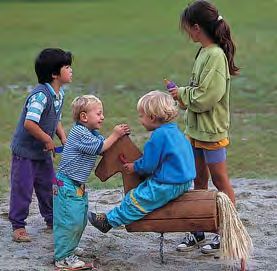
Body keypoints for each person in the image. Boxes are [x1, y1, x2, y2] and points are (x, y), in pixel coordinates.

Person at [168, 0, 239, 254]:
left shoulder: (216, 56)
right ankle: (198, 230)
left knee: (220, 181)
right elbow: (198, 92)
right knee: (198, 180)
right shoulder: (203, 52)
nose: (186, 31)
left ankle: (229, 231)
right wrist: (184, 94)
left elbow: (208, 95)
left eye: (187, 27)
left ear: (196, 27)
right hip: (196, 131)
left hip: (212, 132)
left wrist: (183, 94)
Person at [88, 90, 196, 233]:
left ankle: (108, 221)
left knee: (135, 198)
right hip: (185, 180)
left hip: (169, 183)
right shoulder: (175, 131)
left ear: (151, 117)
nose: (140, 119)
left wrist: (134, 167)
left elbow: (148, 165)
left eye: (141, 116)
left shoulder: (157, 137)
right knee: (144, 188)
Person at [53, 94, 130, 269]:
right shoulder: (79, 132)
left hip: (76, 186)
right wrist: (116, 134)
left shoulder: (90, 133)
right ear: (84, 117)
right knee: (69, 221)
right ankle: (63, 258)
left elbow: (103, 147)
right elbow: (100, 147)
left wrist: (117, 140)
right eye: (99, 113)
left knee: (79, 220)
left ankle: (69, 248)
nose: (102, 117)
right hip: (66, 185)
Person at [9, 48, 72, 242]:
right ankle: (18, 225)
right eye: (67, 67)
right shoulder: (40, 96)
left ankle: (52, 219)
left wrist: (62, 137)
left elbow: (55, 119)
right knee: (23, 187)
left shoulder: (58, 93)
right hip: (26, 153)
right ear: (54, 74)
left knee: (49, 185)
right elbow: (29, 123)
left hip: (42, 152)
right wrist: (47, 139)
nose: (71, 70)